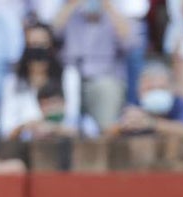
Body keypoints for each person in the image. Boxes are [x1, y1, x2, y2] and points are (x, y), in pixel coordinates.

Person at [0, 22, 92, 140]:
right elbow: (5, 129)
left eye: (42, 45)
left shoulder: (68, 75)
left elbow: (72, 120)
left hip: (61, 142)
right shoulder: (13, 81)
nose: (37, 51)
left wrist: (51, 127)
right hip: (24, 144)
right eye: (32, 45)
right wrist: (27, 127)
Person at [53, 0, 137, 130]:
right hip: (70, 76)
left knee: (106, 89)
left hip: (104, 77)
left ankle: (106, 135)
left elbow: (129, 42)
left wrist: (109, 7)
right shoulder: (72, 15)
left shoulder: (113, 17)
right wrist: (73, 4)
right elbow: (53, 31)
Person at [109, 58, 183, 136]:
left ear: (172, 89)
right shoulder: (135, 105)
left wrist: (151, 123)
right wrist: (123, 125)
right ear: (139, 90)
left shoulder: (179, 103)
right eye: (150, 89)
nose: (155, 93)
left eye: (161, 88)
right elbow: (108, 132)